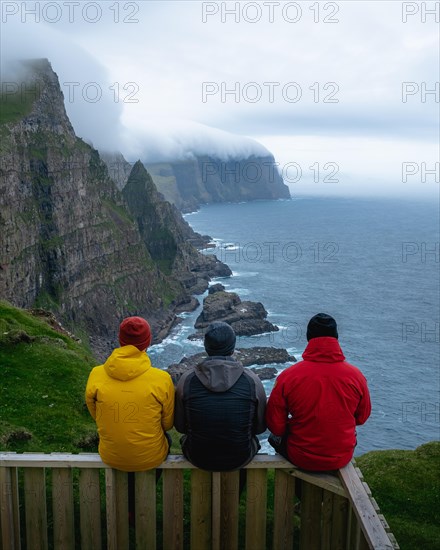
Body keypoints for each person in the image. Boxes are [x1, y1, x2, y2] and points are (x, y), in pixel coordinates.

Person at [266, 313, 371, 471]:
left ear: (309, 337)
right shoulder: (356, 376)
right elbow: (361, 418)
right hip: (341, 456)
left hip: (300, 455)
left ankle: (297, 489)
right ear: (336, 337)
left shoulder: (288, 377)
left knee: (274, 438)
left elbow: (276, 426)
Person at [85, 316, 174, 472]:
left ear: (120, 340)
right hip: (150, 457)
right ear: (147, 342)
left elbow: (96, 415)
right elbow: (167, 424)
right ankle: (149, 487)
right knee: (168, 440)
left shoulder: (96, 374)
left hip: (110, 455)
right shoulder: (162, 379)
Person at [174, 321, 266, 471]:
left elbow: (180, 427)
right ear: (233, 347)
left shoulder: (186, 380)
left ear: (206, 346)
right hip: (240, 457)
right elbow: (260, 428)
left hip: (197, 456)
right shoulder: (252, 380)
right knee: (248, 441)